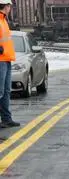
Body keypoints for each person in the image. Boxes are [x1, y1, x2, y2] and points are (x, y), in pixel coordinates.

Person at [0, 0, 20, 128]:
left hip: (6, 59)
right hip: (0, 61)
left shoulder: (4, 20)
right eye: (9, 6)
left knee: (6, 91)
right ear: (5, 6)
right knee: (0, 91)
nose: (10, 8)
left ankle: (6, 119)